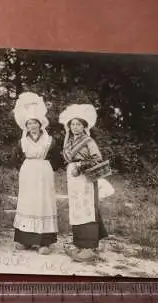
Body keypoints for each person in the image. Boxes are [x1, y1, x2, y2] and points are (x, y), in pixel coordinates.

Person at [59, 104, 112, 261]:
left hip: (85, 178)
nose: (75, 127)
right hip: (73, 178)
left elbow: (97, 158)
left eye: (78, 124)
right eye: (73, 124)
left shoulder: (88, 141)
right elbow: (68, 158)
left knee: (86, 208)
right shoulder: (68, 142)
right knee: (76, 208)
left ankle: (89, 247)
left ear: (84, 126)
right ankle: (79, 243)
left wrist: (80, 167)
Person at [12, 92, 59, 255]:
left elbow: (57, 159)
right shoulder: (22, 142)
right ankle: (25, 240)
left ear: (40, 124)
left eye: (35, 123)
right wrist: (26, 168)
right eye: (29, 123)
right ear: (26, 126)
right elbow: (16, 158)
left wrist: (45, 168)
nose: (32, 126)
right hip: (28, 173)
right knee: (28, 202)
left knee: (43, 203)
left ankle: (44, 242)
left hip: (44, 173)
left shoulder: (49, 140)